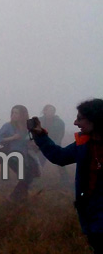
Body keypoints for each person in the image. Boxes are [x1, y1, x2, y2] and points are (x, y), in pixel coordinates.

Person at [30, 98, 103, 253]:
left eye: (80, 118)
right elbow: (60, 157)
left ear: (95, 119)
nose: (76, 123)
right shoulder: (83, 144)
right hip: (90, 211)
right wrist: (40, 135)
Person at [0, 104, 40, 202]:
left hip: (25, 155)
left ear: (23, 115)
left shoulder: (27, 127)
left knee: (30, 175)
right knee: (25, 175)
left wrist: (33, 144)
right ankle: (14, 197)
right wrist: (12, 138)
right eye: (13, 113)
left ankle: (22, 198)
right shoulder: (8, 126)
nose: (14, 115)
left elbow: (29, 141)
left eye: (16, 113)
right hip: (11, 155)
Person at [39, 104, 69, 183]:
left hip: (54, 145)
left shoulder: (59, 122)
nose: (51, 112)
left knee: (60, 160)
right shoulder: (39, 121)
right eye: (49, 110)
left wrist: (54, 144)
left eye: (52, 111)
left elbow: (60, 135)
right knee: (39, 161)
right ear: (44, 111)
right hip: (42, 145)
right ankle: (34, 178)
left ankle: (65, 179)